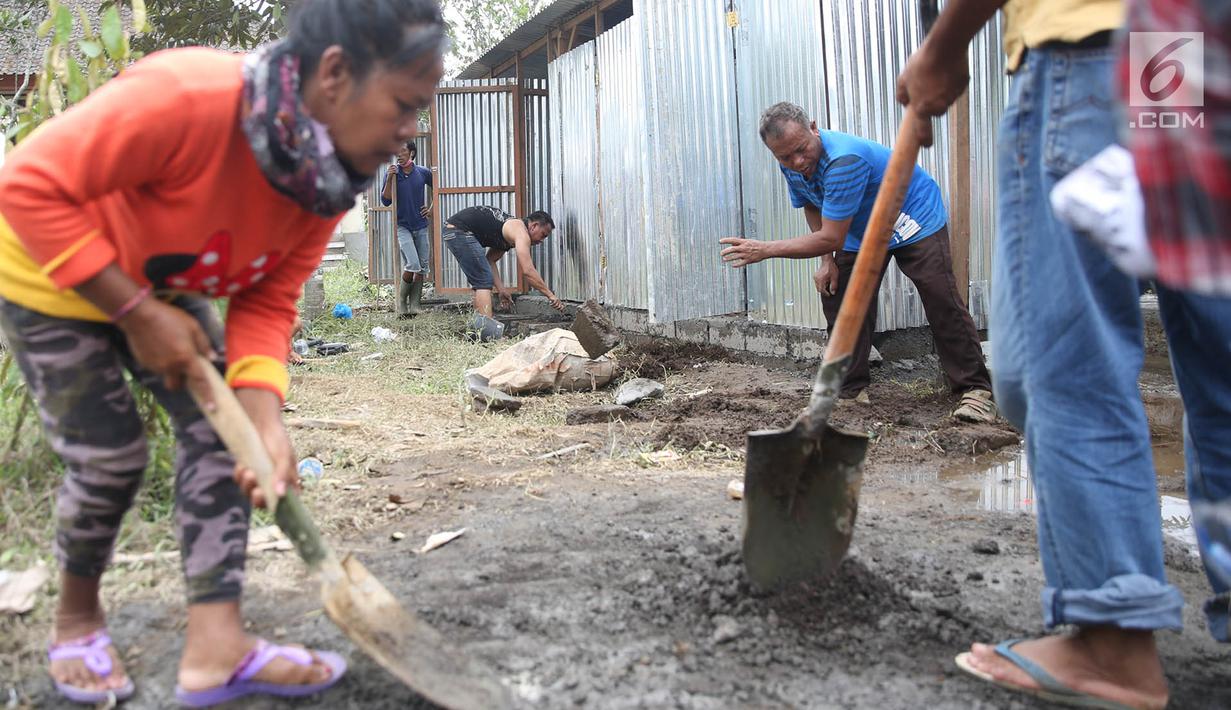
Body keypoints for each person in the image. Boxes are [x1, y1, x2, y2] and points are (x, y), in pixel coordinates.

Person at [0, 0, 446, 705]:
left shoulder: (325, 179)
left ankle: (216, 647)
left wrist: (263, 419)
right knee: (111, 459)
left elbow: (267, 301)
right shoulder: (188, 98)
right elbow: (24, 186)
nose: (408, 132)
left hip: (157, 283)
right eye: (403, 104)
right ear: (335, 74)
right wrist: (134, 312)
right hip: (50, 273)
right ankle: (76, 619)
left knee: (228, 440)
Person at [897, 0, 1213, 707]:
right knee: (1218, 373)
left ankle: (1109, 642)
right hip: (1198, 52)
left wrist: (942, 48)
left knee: (1060, 366)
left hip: (1092, 48)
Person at [719, 102, 995, 422]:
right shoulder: (792, 161)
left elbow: (832, 236)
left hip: (910, 215)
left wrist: (766, 249)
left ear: (813, 127)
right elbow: (812, 203)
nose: (797, 162)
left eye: (801, 150)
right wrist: (827, 261)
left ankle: (974, 391)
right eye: (784, 157)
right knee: (840, 295)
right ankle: (851, 390)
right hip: (860, 226)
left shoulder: (843, 160)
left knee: (939, 295)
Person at [442, 205, 564, 318]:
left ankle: (478, 327)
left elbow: (490, 260)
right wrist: (550, 295)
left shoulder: (509, 235)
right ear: (534, 226)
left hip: (455, 230)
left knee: (481, 279)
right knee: (483, 280)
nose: (541, 241)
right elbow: (528, 271)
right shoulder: (521, 233)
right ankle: (486, 331)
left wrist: (501, 290)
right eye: (543, 235)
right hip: (458, 230)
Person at [379, 140, 433, 317]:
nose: (399, 155)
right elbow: (386, 200)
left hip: (421, 226)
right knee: (413, 264)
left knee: (423, 266)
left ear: (411, 153)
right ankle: (401, 302)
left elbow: (439, 189)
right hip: (403, 226)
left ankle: (415, 304)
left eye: (402, 151)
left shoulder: (423, 172)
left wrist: (430, 209)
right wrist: (389, 178)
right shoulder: (393, 173)